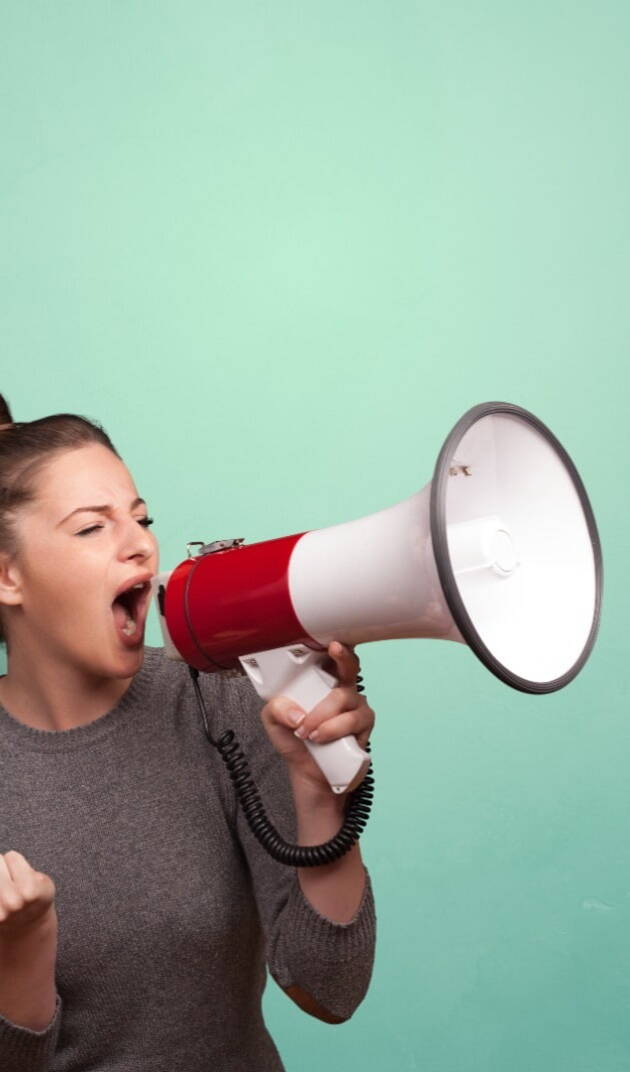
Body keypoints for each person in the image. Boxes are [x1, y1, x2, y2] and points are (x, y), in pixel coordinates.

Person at [0, 396, 376, 1072]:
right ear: (8, 575)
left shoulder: (220, 698)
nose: (141, 542)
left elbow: (330, 990)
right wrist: (20, 961)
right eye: (92, 529)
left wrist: (322, 798)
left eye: (142, 519)